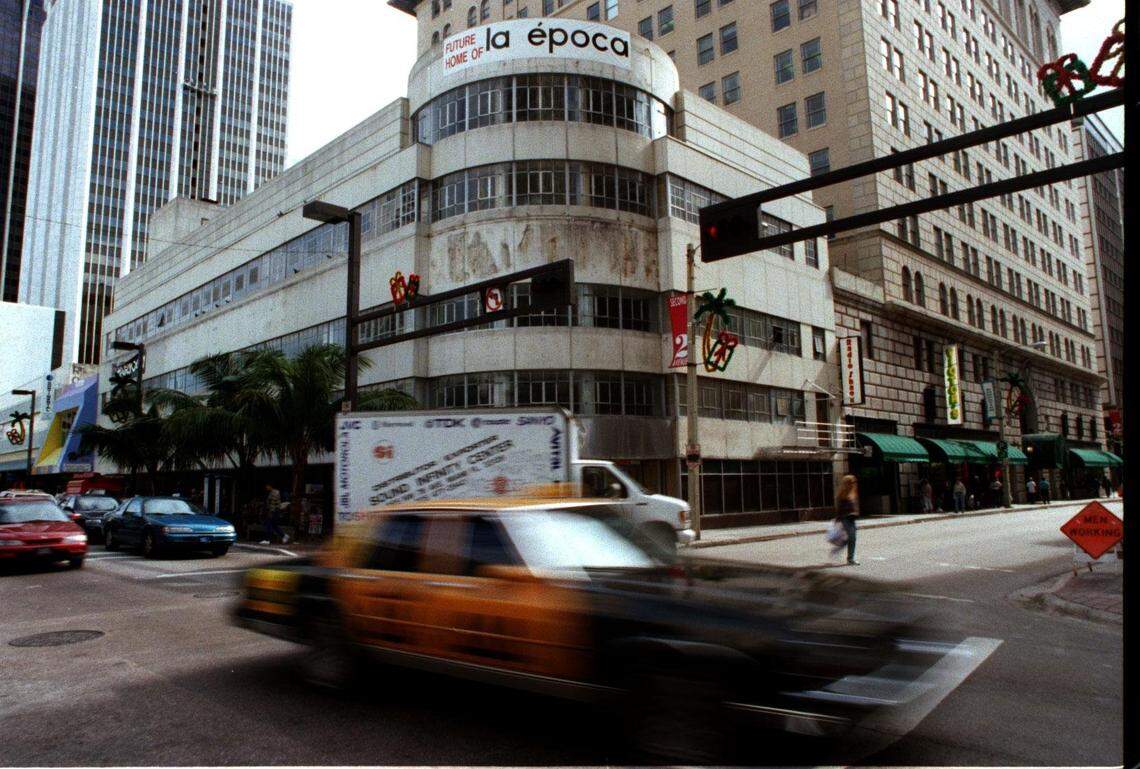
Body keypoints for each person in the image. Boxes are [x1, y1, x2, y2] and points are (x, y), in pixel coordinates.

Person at [832, 474, 860, 566]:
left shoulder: (853, 493)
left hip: (852, 518)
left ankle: (840, 550)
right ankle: (850, 559)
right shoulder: (842, 494)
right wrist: (837, 519)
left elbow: (854, 506)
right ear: (846, 483)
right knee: (851, 537)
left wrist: (856, 513)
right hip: (845, 518)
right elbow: (839, 508)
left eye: (854, 482)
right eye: (851, 482)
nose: (853, 483)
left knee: (852, 538)